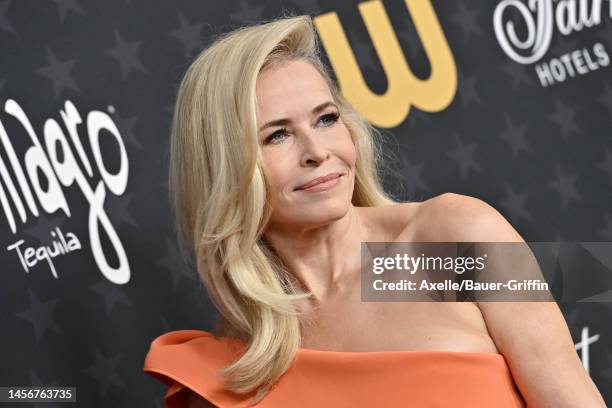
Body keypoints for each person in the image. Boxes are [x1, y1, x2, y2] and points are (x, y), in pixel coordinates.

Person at [143, 13, 607, 408]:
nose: (317, 151)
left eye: (326, 119)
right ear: (224, 166)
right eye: (277, 135)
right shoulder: (235, 359)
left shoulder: (452, 235)